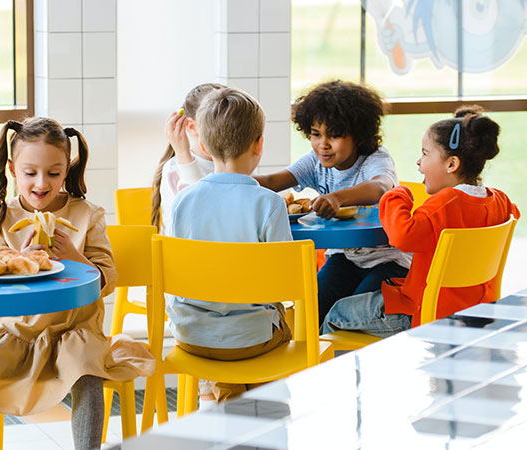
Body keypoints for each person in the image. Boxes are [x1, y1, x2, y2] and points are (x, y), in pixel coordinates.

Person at [0, 117, 154, 450]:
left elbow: (107, 280)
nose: (41, 183)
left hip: (74, 333)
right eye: (30, 173)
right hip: (17, 334)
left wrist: (74, 255)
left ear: (67, 170)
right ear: (14, 170)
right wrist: (21, 262)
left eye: (53, 173)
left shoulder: (88, 215)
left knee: (87, 377)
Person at [322, 106, 521, 336]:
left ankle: (325, 371)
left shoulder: (444, 205)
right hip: (474, 308)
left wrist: (397, 194)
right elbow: (513, 214)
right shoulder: (501, 200)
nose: (419, 161)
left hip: (423, 311)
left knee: (337, 312)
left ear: (451, 164)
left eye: (425, 154)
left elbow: (403, 236)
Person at [168, 87, 293, 403]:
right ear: (259, 144)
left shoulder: (183, 202)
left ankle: (226, 403)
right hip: (250, 339)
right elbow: (285, 286)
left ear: (205, 147)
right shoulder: (269, 204)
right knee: (278, 323)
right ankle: (259, 417)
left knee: (237, 334)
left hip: (191, 335)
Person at [255, 79, 410, 325]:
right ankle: (313, 362)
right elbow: (273, 180)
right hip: (344, 257)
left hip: (389, 262)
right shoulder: (314, 162)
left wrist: (338, 197)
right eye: (315, 134)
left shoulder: (375, 159)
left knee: (350, 316)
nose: (323, 144)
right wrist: (231, 179)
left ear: (358, 135)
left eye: (334, 135)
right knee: (310, 312)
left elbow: (380, 187)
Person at [152, 82, 226, 234]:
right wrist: (183, 154)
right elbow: (200, 216)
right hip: (185, 252)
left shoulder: (233, 162)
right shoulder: (175, 168)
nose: (225, 129)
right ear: (192, 127)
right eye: (215, 121)